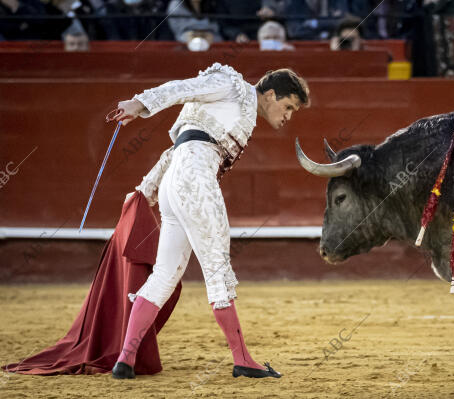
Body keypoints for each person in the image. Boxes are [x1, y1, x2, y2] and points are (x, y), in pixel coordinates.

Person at [110, 63, 310, 379]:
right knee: (217, 271)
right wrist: (140, 103)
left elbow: (178, 148)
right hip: (197, 180)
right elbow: (182, 86)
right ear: (270, 94)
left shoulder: (232, 106)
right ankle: (243, 359)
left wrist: (148, 188)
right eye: (288, 107)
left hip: (176, 180)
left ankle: (126, 359)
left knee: (164, 274)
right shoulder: (231, 85)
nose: (288, 116)